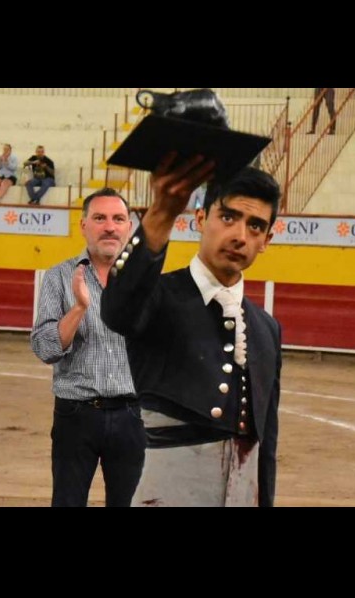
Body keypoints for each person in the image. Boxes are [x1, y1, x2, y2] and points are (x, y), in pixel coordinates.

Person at [101, 159, 282, 507]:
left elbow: (266, 441)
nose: (240, 236)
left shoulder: (266, 328)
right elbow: (117, 309)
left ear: (266, 241)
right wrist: (161, 215)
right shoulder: (156, 297)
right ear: (200, 219)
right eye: (228, 217)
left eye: (256, 226)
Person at [31, 188, 145, 507]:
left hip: (133, 415)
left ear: (129, 227)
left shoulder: (146, 281)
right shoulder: (59, 277)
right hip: (76, 414)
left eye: (118, 219)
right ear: (83, 226)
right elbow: (44, 348)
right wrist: (79, 308)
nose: (110, 227)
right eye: (100, 218)